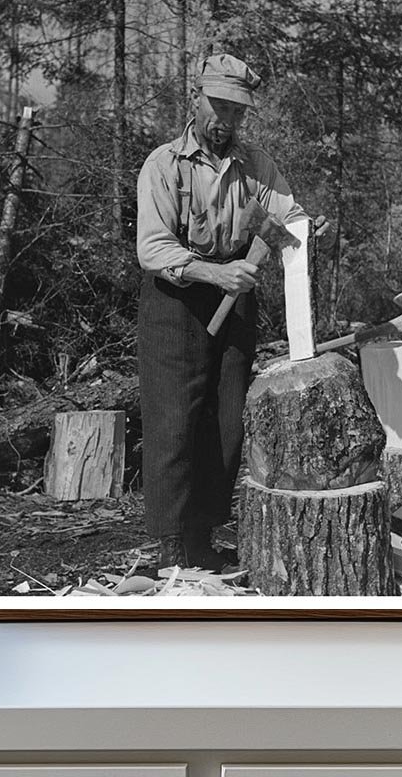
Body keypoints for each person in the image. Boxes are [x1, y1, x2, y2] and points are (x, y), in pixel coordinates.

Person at [135, 52, 325, 572]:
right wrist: (217, 273)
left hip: (235, 299)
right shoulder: (163, 165)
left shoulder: (257, 166)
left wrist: (294, 236)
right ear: (196, 100)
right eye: (219, 107)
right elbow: (152, 250)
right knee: (174, 424)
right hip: (175, 299)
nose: (227, 121)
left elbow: (292, 217)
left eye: (238, 112)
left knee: (225, 424)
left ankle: (201, 541)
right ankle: (171, 547)